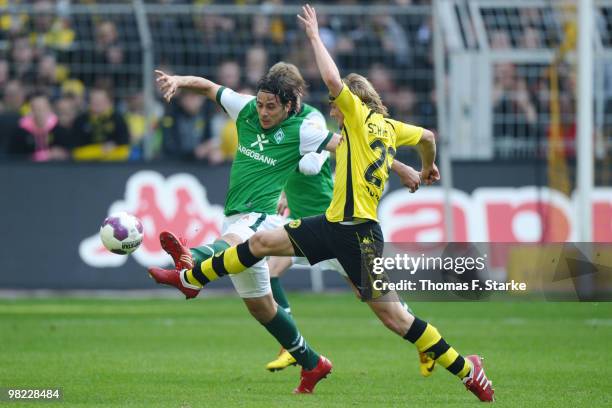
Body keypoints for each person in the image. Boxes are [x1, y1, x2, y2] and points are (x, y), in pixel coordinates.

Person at [149, 6, 495, 402]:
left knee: (395, 317)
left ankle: (469, 369)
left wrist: (314, 36)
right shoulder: (391, 128)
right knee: (260, 244)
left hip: (359, 236)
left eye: (337, 105)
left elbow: (332, 79)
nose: (333, 109)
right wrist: (423, 168)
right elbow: (428, 136)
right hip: (330, 224)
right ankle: (191, 277)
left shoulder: (359, 118)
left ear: (354, 103)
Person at [150, 62, 341, 394]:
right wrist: (179, 79)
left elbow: (347, 145)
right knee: (261, 306)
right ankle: (313, 363)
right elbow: (209, 87)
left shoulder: (303, 128)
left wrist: (398, 166)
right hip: (236, 214)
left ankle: (189, 262)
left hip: (260, 217)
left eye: (271, 107)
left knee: (232, 240)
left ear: (289, 105)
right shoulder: (246, 108)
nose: (264, 112)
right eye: (261, 104)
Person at [262, 63, 435, 377]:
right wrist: (286, 189)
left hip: (336, 223)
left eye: (274, 101)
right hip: (311, 222)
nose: (267, 109)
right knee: (268, 266)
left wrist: (297, 158)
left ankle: (427, 343)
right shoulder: (285, 125)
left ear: (290, 99)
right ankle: (290, 345)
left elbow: (321, 163)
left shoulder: (310, 121)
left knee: (375, 298)